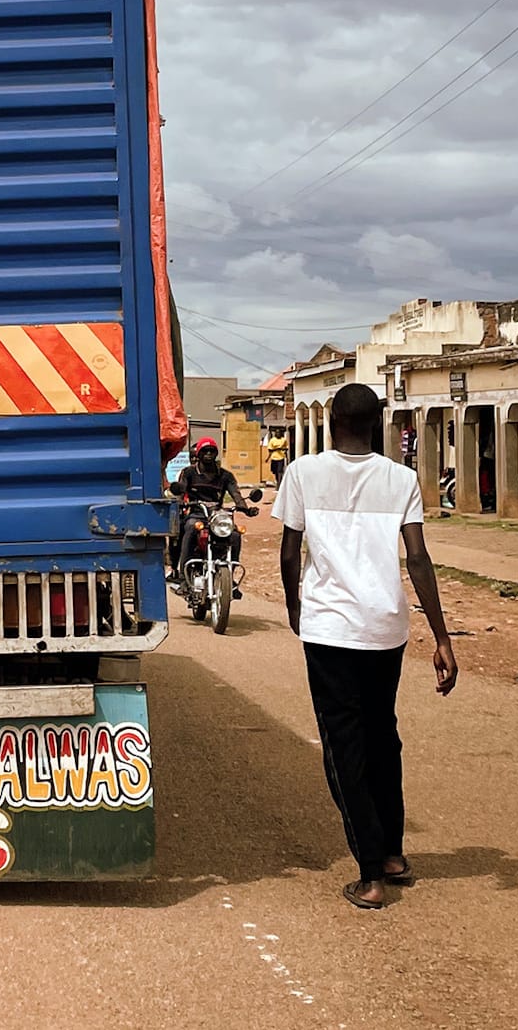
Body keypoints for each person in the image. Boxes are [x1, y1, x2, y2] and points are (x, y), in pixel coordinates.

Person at [275, 383, 457, 910]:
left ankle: (371, 873)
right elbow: (418, 560)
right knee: (383, 735)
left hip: (331, 629)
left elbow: (291, 552)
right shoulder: (402, 479)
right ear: (377, 425)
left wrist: (295, 606)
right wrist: (442, 638)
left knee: (344, 745)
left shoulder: (303, 473)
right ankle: (394, 853)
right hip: (386, 629)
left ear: (331, 421)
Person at [168, 438, 258, 592]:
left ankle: (230, 577)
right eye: (205, 451)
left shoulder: (225, 475)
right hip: (196, 512)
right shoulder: (189, 472)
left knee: (235, 535)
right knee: (189, 529)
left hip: (217, 515)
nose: (209, 454)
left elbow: (236, 494)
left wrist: (245, 508)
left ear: (216, 454)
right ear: (198, 454)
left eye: (212, 451)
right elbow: (182, 488)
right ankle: (183, 578)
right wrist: (179, 495)